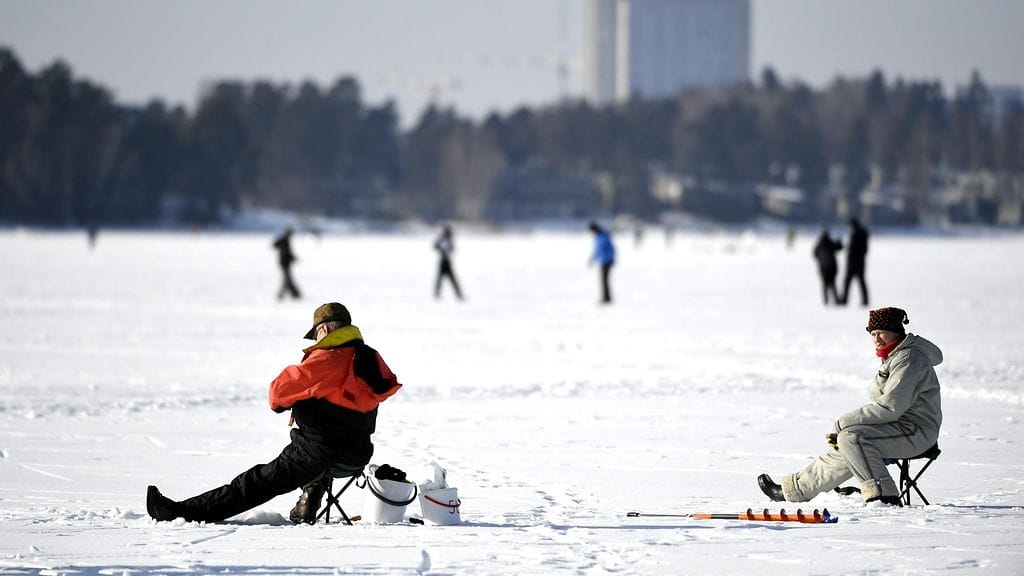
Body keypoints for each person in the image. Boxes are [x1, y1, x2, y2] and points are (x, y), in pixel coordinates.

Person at [146, 302, 403, 524]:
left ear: (323, 330)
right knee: (326, 435)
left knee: (255, 482)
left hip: (315, 456)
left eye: (316, 334)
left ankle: (181, 512)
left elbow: (276, 395)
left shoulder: (326, 360)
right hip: (356, 456)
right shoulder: (371, 360)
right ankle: (309, 499)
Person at [757, 307, 942, 506]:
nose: (877, 339)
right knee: (850, 439)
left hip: (916, 432)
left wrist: (841, 423)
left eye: (881, 333)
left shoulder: (909, 360)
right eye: (872, 334)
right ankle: (795, 490)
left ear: (896, 331)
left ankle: (883, 496)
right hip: (898, 429)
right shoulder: (895, 357)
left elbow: (890, 407)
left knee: (852, 437)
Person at [840, 218, 869, 306]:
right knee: (859, 281)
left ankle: (845, 300)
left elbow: (858, 249)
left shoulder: (857, 235)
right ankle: (864, 301)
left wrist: (850, 251)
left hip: (854, 263)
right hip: (859, 262)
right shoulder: (861, 234)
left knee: (851, 282)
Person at [812, 226, 843, 305]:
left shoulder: (819, 244)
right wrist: (839, 242)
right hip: (832, 267)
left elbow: (815, 254)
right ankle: (835, 300)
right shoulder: (830, 242)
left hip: (823, 268)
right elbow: (839, 248)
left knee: (825, 285)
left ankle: (826, 300)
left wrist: (821, 260)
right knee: (833, 284)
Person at [588, 221, 616, 304]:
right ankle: (606, 297)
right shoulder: (600, 236)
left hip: (606, 261)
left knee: (604, 280)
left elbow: (606, 249)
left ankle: (606, 298)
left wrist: (610, 259)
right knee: (604, 280)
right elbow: (598, 250)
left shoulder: (602, 237)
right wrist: (592, 259)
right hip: (604, 260)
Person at [433, 224, 464, 300]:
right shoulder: (441, 239)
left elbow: (452, 249)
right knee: (440, 279)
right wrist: (441, 249)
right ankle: (437, 294)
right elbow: (435, 246)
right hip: (442, 261)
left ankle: (458, 294)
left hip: (448, 261)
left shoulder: (449, 239)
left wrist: (446, 250)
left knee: (452, 279)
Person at [273, 227, 302, 300]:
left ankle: (294, 294)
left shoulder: (285, 240)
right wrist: (292, 258)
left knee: (288, 279)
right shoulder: (284, 240)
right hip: (284, 263)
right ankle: (293, 294)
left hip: (285, 263)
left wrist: (292, 258)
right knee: (287, 279)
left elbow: (287, 252)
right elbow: (286, 252)